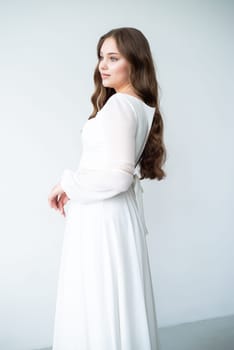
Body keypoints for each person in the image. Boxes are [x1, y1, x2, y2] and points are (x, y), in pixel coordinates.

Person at [48, 27, 166, 350]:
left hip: (103, 220)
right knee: (115, 300)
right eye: (102, 57)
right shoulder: (139, 107)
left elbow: (118, 177)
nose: (103, 65)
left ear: (135, 63)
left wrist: (67, 182)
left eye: (113, 58)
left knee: (97, 301)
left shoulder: (119, 107)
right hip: (115, 218)